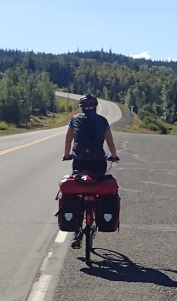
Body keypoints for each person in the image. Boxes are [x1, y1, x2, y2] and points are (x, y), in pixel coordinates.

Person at [62, 94, 119, 248]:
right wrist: (114, 156)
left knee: (78, 189)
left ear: (81, 106)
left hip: (79, 160)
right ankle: (97, 213)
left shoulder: (75, 119)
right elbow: (110, 141)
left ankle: (77, 232)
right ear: (96, 106)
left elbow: (68, 140)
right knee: (97, 187)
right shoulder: (103, 121)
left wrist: (67, 155)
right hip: (99, 161)